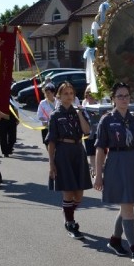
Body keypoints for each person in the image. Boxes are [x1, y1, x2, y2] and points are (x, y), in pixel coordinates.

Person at [93, 82, 134, 265]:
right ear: (113, 99)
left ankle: (115, 240)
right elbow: (100, 149)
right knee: (127, 205)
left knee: (128, 204)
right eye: (120, 96)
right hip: (117, 163)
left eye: (127, 95)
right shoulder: (107, 120)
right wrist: (98, 174)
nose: (124, 99)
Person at [46, 81, 93, 239]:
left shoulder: (78, 111)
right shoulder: (55, 115)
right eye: (65, 93)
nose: (69, 96)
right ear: (59, 96)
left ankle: (67, 211)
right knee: (68, 191)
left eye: (71, 93)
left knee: (79, 194)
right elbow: (51, 141)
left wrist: (80, 113)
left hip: (78, 151)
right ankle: (70, 222)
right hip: (63, 153)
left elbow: (86, 131)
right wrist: (51, 163)